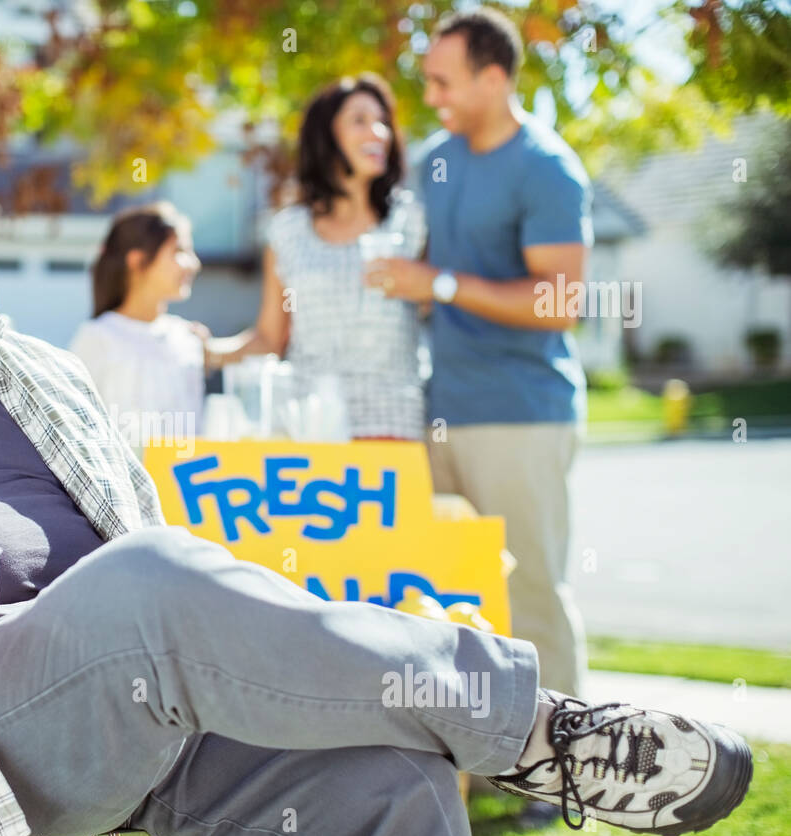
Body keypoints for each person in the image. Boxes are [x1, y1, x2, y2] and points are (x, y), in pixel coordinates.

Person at [0, 70, 752, 836]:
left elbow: (151, 558)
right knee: (149, 586)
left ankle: (495, 731)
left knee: (394, 782)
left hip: (147, 709)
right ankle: (539, 731)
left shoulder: (33, 365)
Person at [364, 8, 590, 701]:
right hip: (439, 408)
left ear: (494, 78)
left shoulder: (547, 167)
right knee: (443, 584)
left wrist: (441, 284)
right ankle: (483, 753)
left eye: (443, 82)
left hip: (520, 411)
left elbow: (561, 302)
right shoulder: (436, 160)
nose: (431, 98)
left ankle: (563, 762)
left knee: (528, 589)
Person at [205, 73, 426, 441]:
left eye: (383, 122)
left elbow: (440, 307)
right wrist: (209, 351)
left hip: (393, 430)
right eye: (359, 120)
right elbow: (270, 338)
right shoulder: (287, 232)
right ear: (326, 136)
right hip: (310, 432)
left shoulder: (412, 221)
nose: (379, 133)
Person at [68, 202, 208, 456]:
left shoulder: (187, 337)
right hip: (122, 492)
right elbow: (74, 430)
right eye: (180, 251)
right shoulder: (98, 337)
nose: (193, 263)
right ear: (138, 260)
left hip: (183, 488)